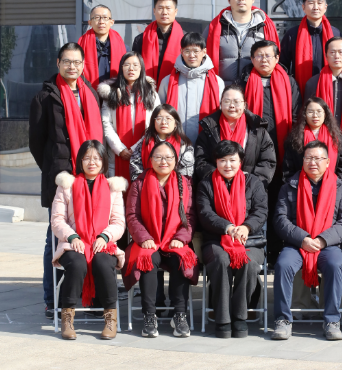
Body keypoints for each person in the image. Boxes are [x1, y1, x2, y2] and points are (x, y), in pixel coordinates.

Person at [270, 141, 342, 341]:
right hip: (297, 244)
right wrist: (303, 239)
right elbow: (280, 220)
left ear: (328, 162)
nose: (312, 162)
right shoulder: (289, 186)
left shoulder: (340, 187)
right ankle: (282, 320)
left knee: (334, 264)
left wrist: (323, 240)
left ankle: (332, 321)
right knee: (283, 264)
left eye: (317, 158)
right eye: (308, 158)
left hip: (328, 245)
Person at [49, 141, 127, 340]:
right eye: (87, 158)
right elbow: (57, 220)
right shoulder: (66, 186)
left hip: (104, 244)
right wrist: (72, 236)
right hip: (72, 243)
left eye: (97, 158)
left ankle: (110, 318)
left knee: (102, 263)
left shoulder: (113, 188)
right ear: (80, 161)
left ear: (104, 161)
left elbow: (118, 222)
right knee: (77, 263)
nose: (92, 162)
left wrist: (104, 236)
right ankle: (67, 317)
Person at [194, 141, 270, 338]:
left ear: (240, 161)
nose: (227, 165)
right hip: (216, 240)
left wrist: (246, 227)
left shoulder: (254, 183)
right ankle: (223, 318)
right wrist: (228, 227)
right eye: (222, 160)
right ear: (216, 162)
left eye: (232, 160)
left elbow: (261, 211)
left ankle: (239, 316)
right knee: (221, 261)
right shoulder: (206, 184)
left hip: (250, 240)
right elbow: (205, 214)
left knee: (249, 264)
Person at [125, 141, 196, 338]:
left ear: (175, 160)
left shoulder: (185, 184)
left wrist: (181, 238)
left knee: (181, 259)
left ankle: (179, 315)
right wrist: (144, 237)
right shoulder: (139, 183)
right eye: (158, 157)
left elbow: (190, 216)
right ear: (150, 160)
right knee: (148, 259)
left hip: (174, 240)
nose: (163, 161)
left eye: (168, 157)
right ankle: (149, 315)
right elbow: (132, 216)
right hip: (147, 240)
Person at [193, 86, 278, 192]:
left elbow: (267, 161)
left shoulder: (257, 130)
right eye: (227, 101)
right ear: (221, 104)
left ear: (244, 105)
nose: (232, 105)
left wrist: (252, 185)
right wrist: (217, 181)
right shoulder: (209, 129)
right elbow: (201, 160)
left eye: (236, 102)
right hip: (216, 189)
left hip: (249, 191)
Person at [229, 41, 301, 160]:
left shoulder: (289, 82)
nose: (264, 60)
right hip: (251, 139)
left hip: (283, 138)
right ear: (252, 59)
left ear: (277, 58)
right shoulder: (242, 82)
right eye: (259, 56)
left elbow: (296, 113)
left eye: (268, 56)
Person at [204, 0, 279, 84]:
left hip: (255, 89)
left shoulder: (265, 27)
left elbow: (274, 61)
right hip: (222, 90)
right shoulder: (215, 27)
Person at [161, 32, 226, 140]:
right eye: (187, 51)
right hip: (174, 142)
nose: (191, 55)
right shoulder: (168, 81)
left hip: (206, 143)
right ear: (181, 52)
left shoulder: (217, 82)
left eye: (196, 51)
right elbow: (160, 113)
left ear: (204, 52)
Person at [101, 53, 156, 173]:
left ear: (141, 68)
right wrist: (120, 149)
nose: (131, 69)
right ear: (121, 68)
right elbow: (106, 123)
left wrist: (136, 148)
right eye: (127, 65)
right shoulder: (111, 93)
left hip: (143, 151)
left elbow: (154, 125)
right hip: (116, 154)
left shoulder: (151, 94)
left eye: (135, 65)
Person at [280, 0, 342, 85]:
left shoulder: (335, 34)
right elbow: (283, 65)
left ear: (325, 7)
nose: (315, 7)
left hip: (330, 86)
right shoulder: (292, 34)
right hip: (300, 88)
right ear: (303, 7)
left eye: (319, 3)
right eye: (311, 3)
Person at [283, 98, 342, 182]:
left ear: (325, 114)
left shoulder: (335, 137)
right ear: (305, 115)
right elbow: (288, 168)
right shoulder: (296, 137)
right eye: (310, 112)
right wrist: (295, 185)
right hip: (301, 185)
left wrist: (337, 185)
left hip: (332, 185)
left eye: (319, 111)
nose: (315, 115)